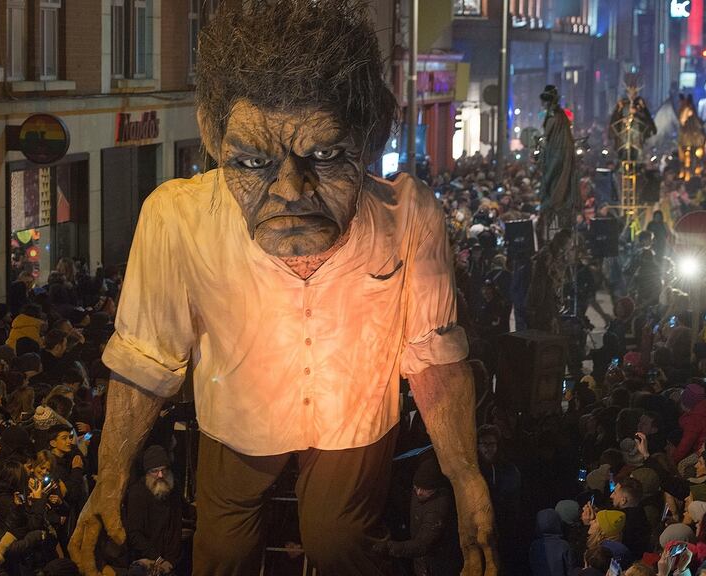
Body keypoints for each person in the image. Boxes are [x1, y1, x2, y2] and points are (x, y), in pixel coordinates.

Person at [69, 2, 496, 575]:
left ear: (370, 137)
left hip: (353, 426)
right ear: (213, 139)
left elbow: (433, 353)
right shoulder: (176, 219)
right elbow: (145, 358)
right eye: (253, 162)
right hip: (237, 423)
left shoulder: (410, 215)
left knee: (340, 540)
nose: (291, 189)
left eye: (326, 155)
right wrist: (111, 476)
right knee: (223, 551)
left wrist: (465, 475)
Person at [375, 456, 461, 576]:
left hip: (436, 568)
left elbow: (422, 545)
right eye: (417, 487)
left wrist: (389, 547)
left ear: (435, 488)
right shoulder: (418, 493)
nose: (419, 492)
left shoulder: (437, 509)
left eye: (425, 489)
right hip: (421, 564)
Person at [125, 445, 183, 575]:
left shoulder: (173, 488)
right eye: (155, 471)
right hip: (149, 561)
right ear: (147, 472)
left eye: (163, 470)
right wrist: (158, 560)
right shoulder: (137, 493)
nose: (160, 475)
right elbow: (134, 534)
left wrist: (171, 561)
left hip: (172, 560)